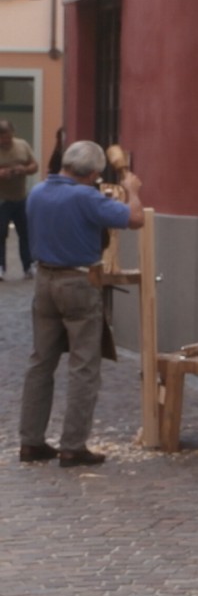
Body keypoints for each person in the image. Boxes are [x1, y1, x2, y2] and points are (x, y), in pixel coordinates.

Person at [18, 140, 144, 467]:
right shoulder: (85, 197)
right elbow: (135, 218)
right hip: (77, 281)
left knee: (40, 362)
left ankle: (30, 441)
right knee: (84, 365)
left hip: (44, 280)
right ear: (91, 174)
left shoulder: (38, 192)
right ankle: (73, 446)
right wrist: (132, 190)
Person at [0, 119, 40, 280]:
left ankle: (28, 265)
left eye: (8, 137)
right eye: (3, 139)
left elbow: (34, 166)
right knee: (1, 233)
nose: (6, 141)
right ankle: (0, 267)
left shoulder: (22, 145)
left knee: (25, 232)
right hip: (1, 200)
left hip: (21, 197)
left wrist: (24, 169)